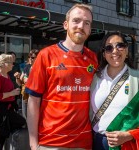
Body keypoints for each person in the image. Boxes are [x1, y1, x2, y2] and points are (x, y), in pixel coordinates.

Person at [25, 3, 98, 150]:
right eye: (76, 20)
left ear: (90, 30)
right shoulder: (46, 55)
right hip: (50, 142)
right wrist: (33, 143)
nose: (81, 26)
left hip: (83, 143)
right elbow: (33, 101)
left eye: (87, 23)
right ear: (65, 24)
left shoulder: (93, 59)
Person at [90, 31, 139, 150]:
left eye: (120, 46)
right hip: (95, 141)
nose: (115, 51)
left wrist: (129, 135)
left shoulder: (137, 78)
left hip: (125, 145)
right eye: (109, 48)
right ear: (104, 54)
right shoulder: (94, 78)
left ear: (126, 51)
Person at [0, 54, 26, 150]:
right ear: (3, 64)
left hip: (7, 109)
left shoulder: (6, 75)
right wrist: (11, 93)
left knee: (3, 135)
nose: (13, 64)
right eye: (10, 62)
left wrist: (13, 93)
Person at [14, 49, 39, 119]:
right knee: (25, 113)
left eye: (33, 57)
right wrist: (17, 78)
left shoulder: (41, 68)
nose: (30, 59)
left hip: (35, 95)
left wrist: (30, 80)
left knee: (34, 115)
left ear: (38, 58)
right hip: (25, 93)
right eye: (29, 57)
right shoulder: (26, 67)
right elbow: (20, 83)